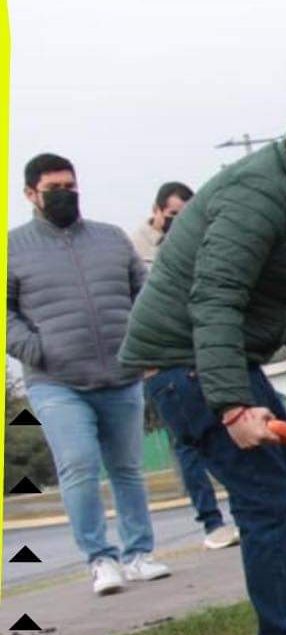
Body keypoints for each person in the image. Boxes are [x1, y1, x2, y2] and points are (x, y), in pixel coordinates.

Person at [120, 88, 286, 635]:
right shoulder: (258, 197)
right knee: (268, 500)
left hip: (217, 361)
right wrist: (232, 406)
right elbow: (214, 299)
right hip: (187, 365)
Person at [8, 153, 171, 596]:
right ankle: (100, 560)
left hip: (121, 375)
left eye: (71, 186)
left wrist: (141, 342)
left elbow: (144, 293)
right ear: (31, 195)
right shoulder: (13, 248)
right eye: (54, 189)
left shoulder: (111, 239)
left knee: (127, 469)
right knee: (79, 464)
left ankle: (139, 554)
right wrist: (37, 349)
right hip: (56, 383)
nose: (65, 195)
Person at [129, 181, 241, 551]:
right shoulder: (136, 250)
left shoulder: (200, 243)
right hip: (163, 364)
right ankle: (212, 522)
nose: (180, 222)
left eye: (187, 216)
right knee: (187, 444)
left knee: (231, 432)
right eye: (174, 215)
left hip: (202, 353)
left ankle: (245, 511)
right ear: (158, 211)